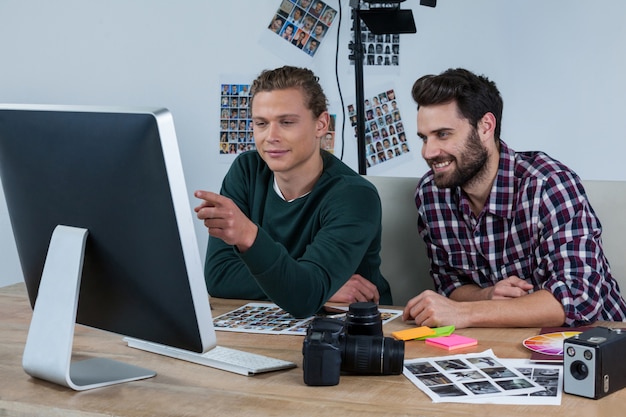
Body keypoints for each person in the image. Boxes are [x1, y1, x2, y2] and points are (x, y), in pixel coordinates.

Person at [403, 68, 626, 329]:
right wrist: (485, 296)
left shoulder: (548, 185)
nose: (428, 152)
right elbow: (450, 284)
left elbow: (579, 299)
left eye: (443, 134)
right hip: (499, 349)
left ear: (486, 126)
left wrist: (467, 313)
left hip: (595, 347)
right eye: (424, 137)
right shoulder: (431, 195)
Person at [195, 66, 392, 318]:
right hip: (270, 322)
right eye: (261, 123)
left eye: (286, 122)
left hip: (354, 328)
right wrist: (309, 285)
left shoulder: (355, 196)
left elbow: (303, 297)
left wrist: (249, 236)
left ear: (321, 124)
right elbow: (219, 277)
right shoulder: (247, 171)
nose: (271, 136)